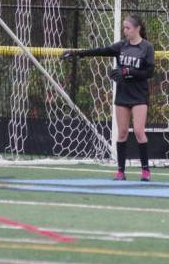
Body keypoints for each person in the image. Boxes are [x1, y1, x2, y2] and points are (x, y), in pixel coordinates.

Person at [62, 14, 155, 181]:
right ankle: (120, 171)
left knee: (140, 132)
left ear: (137, 29)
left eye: (128, 27)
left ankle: (145, 171)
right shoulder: (121, 46)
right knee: (122, 133)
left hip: (139, 95)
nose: (125, 31)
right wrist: (77, 54)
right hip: (123, 94)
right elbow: (101, 51)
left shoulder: (147, 47)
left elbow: (149, 72)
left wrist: (128, 72)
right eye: (124, 28)